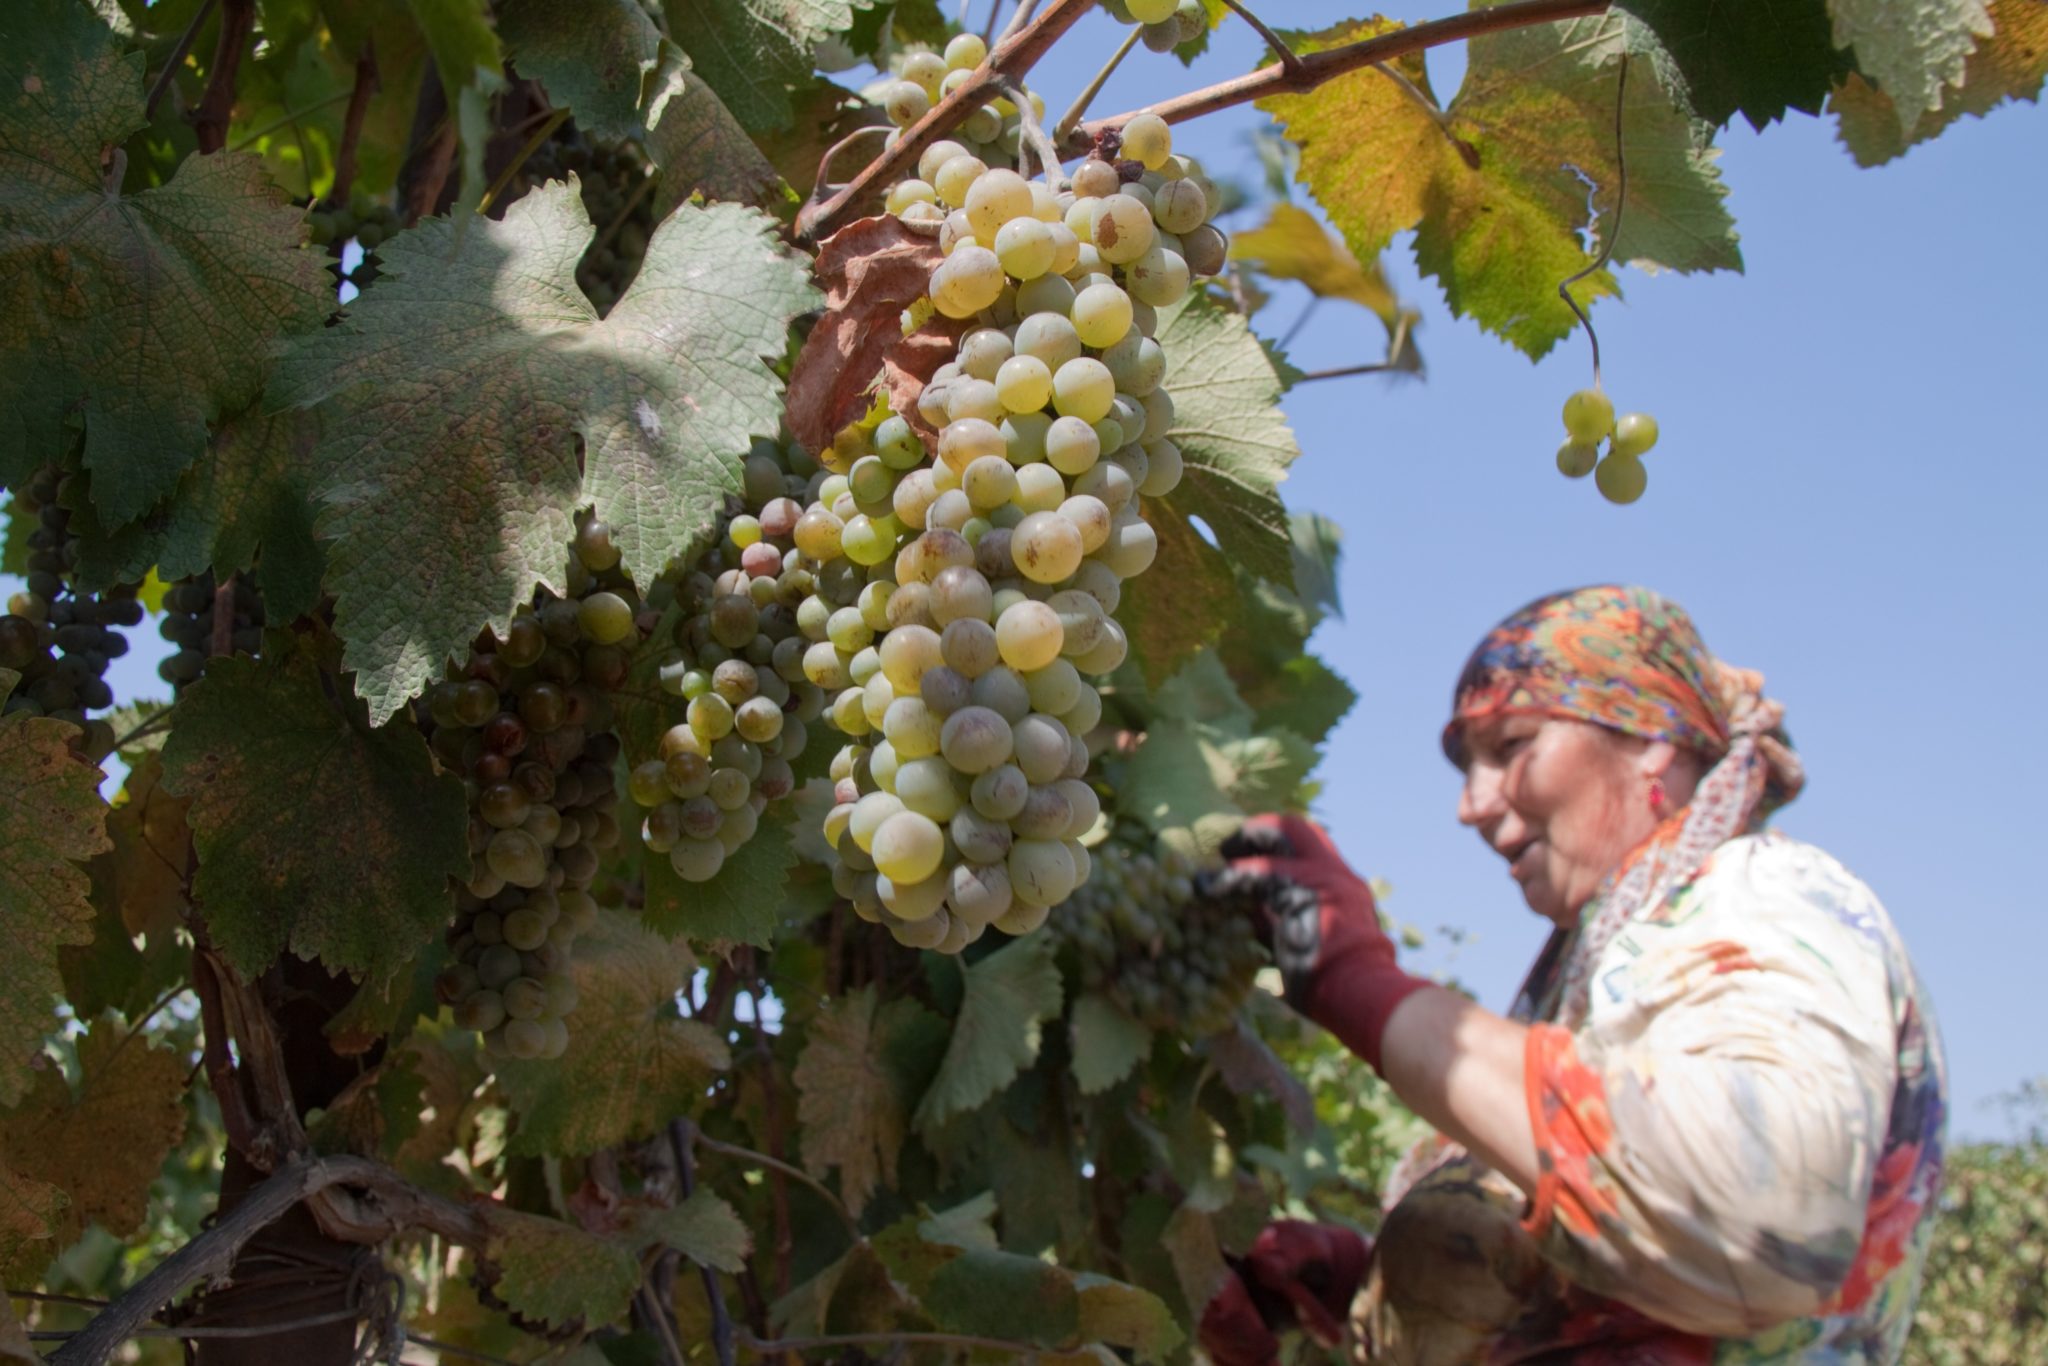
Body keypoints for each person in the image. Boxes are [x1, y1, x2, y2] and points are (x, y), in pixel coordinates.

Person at [1199, 585, 1947, 1365]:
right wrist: (1365, 1279)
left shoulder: (1767, 897)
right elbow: (1609, 1269)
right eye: (1464, 765)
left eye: (1511, 745)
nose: (1471, 804)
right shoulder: (1607, 975)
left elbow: (1763, 1214)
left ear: (1653, 739)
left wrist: (1360, 984)